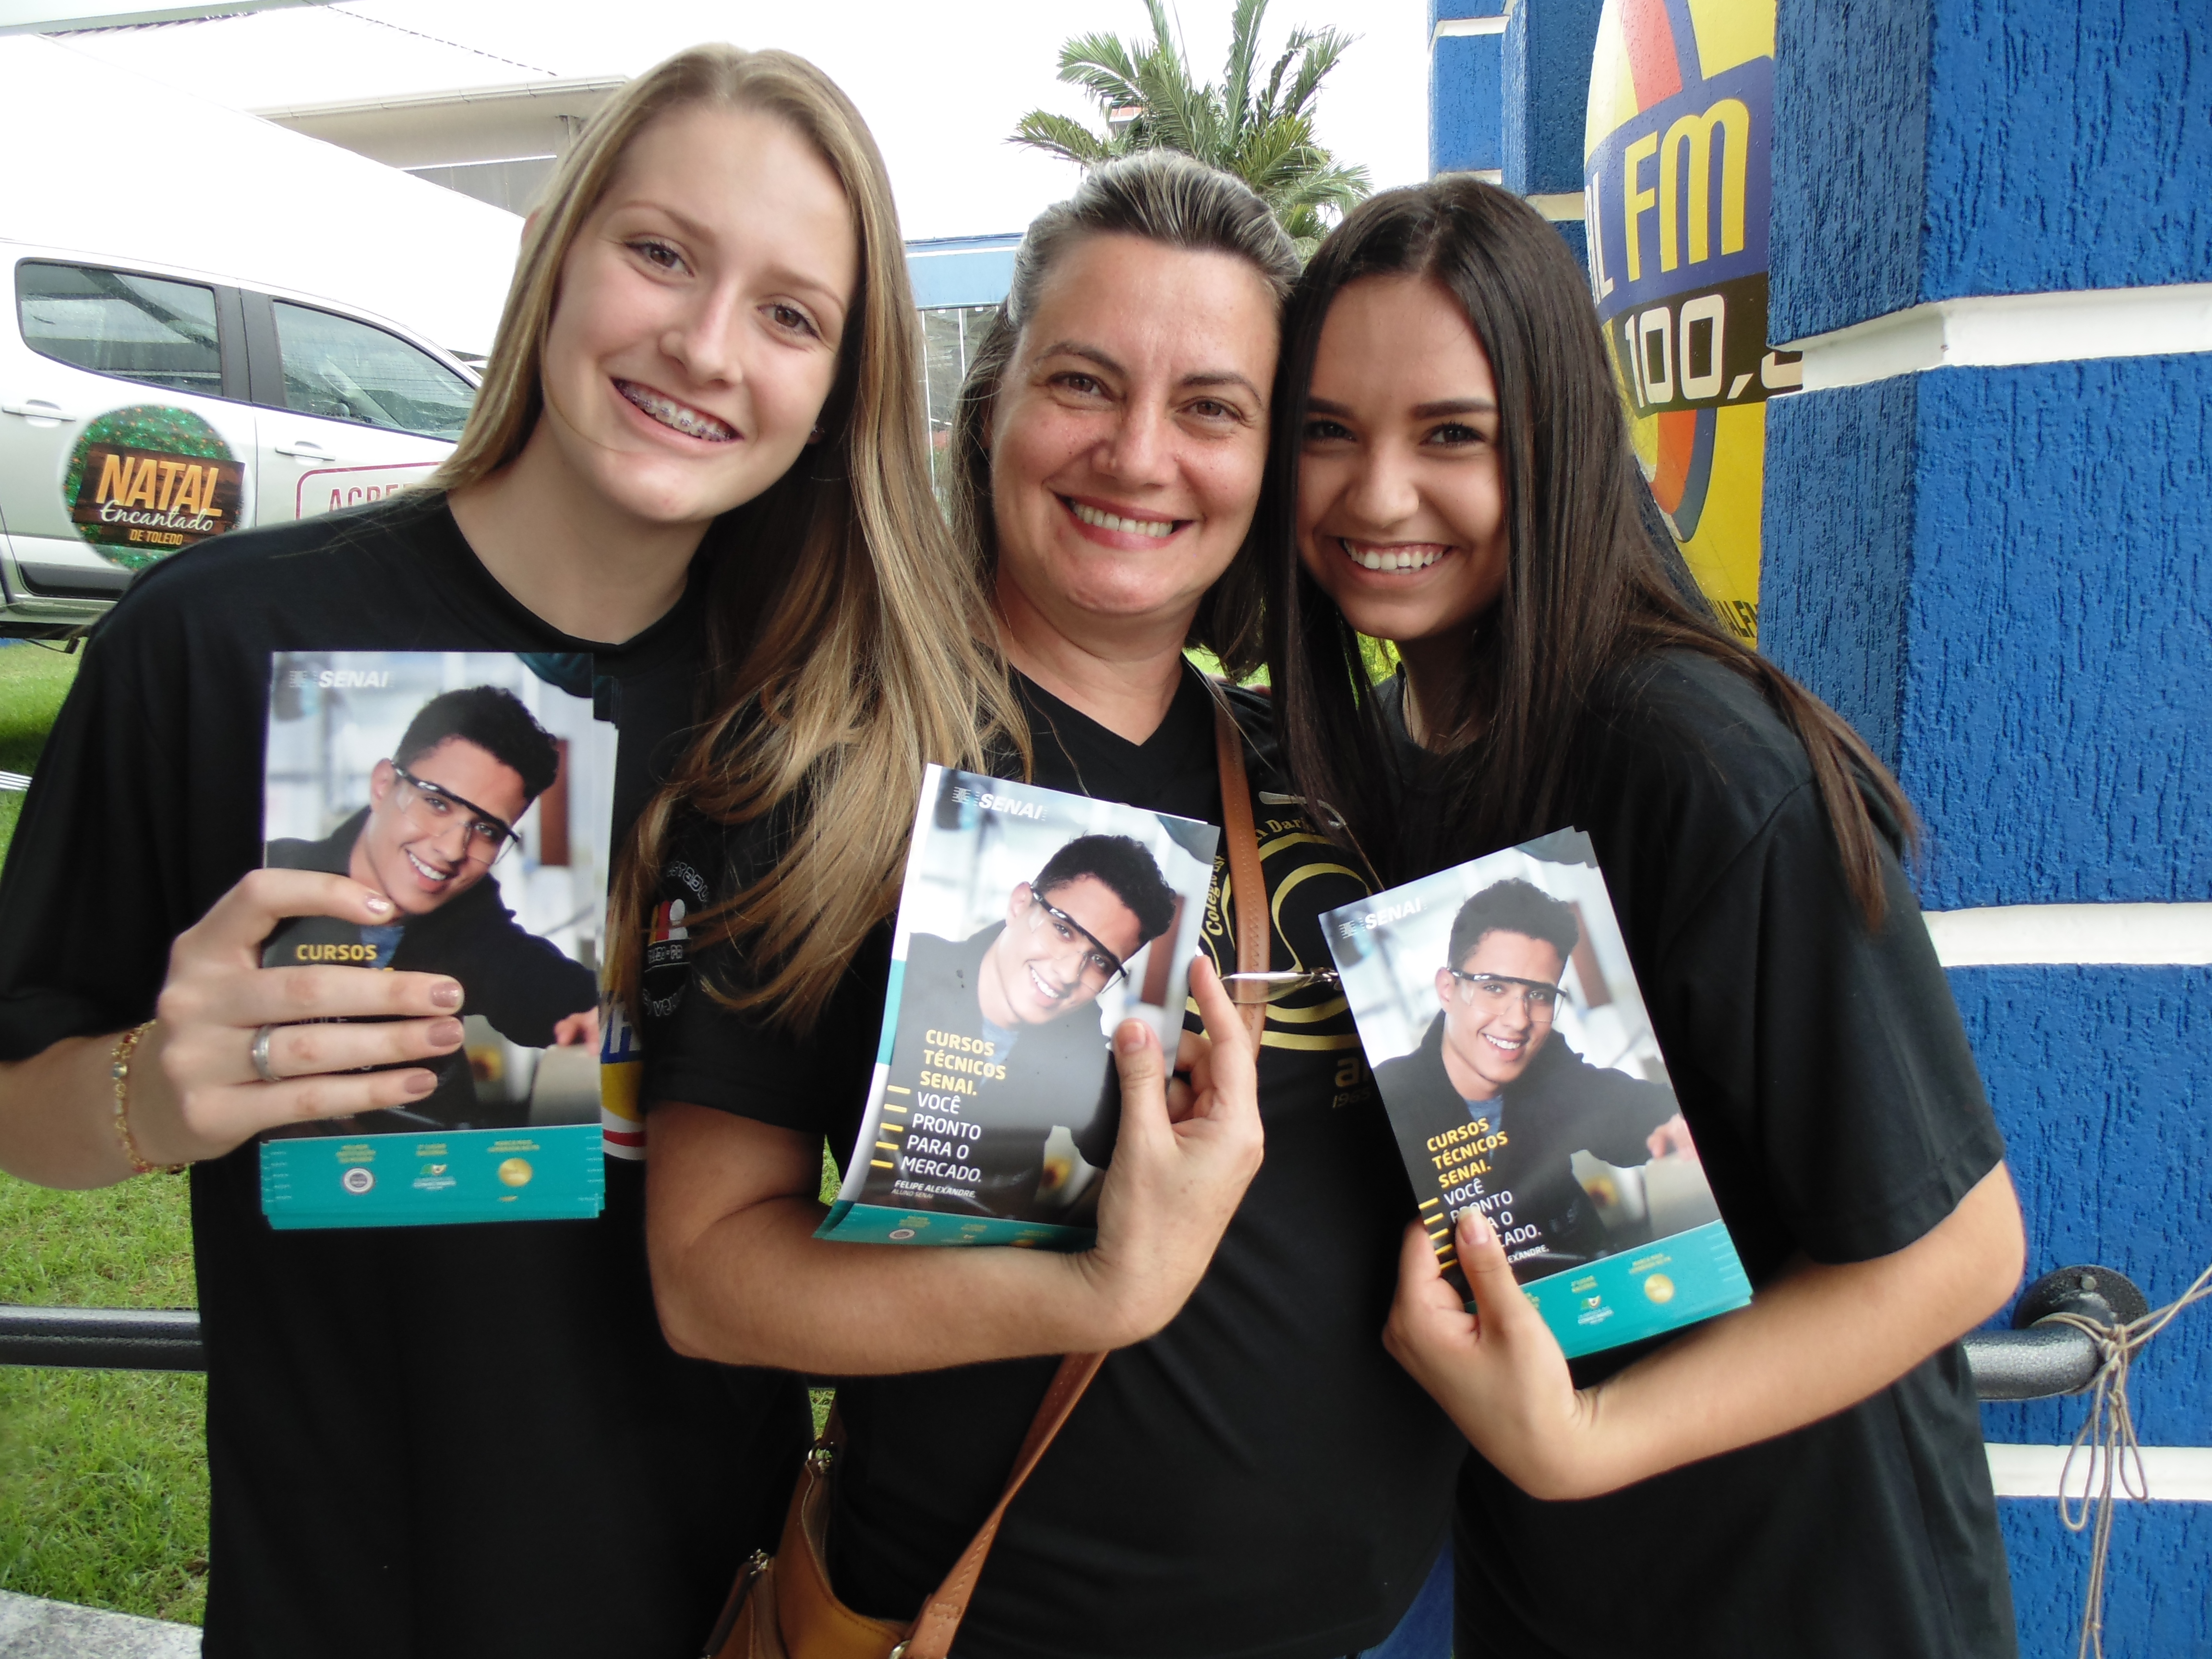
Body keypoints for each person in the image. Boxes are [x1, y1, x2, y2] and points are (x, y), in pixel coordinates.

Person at [0, 45, 985, 1659]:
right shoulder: (209, 645)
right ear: (552, 254)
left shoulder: (839, 741)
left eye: (791, 315)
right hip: (337, 1606)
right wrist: (150, 1091)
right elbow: (16, 1097)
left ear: (836, 392)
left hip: (717, 1611)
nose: (703, 345)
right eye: (659, 251)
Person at [641, 151, 1461, 1659]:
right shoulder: (832, 774)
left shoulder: (1331, 776)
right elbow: (707, 1280)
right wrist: (1098, 1289)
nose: (1139, 456)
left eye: (1210, 407)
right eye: (1084, 383)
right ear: (992, 412)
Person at [1262, 176, 2026, 1657]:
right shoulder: (1371, 763)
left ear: (1556, 439)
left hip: (1815, 1602)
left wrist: (1588, 1442)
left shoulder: (1695, 764)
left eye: (1453, 435)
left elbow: (1960, 1251)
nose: (1376, 496)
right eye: (1327, 431)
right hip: (1556, 1596)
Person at [263, 685, 598, 1130]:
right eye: (437, 803)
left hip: (422, 1162)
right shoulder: (265, 878)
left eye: (487, 830)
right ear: (383, 785)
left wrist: (608, 1015)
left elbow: (553, 993)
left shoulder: (473, 926)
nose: (452, 849)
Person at [1371, 878, 1687, 1274]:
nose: (1519, 1021)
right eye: (1494, 988)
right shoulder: (1391, 1098)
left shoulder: (1549, 1065)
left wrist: (1679, 1123)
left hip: (1585, 1285)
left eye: (1539, 995)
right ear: (1448, 990)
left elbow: (1628, 1112)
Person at [866, 833, 1181, 1222]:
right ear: (1020, 905)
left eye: (1100, 962)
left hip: (977, 1247)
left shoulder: (1078, 1038)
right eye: (1063, 930)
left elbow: (1111, 1141)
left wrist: (1162, 1095)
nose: (1069, 973)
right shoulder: (906, 966)